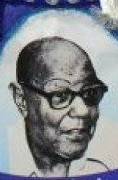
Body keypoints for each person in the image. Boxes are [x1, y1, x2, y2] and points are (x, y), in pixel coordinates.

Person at [8, 37, 111, 177]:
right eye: (60, 95)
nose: (83, 111)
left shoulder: (101, 173)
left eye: (90, 92)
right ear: (21, 99)